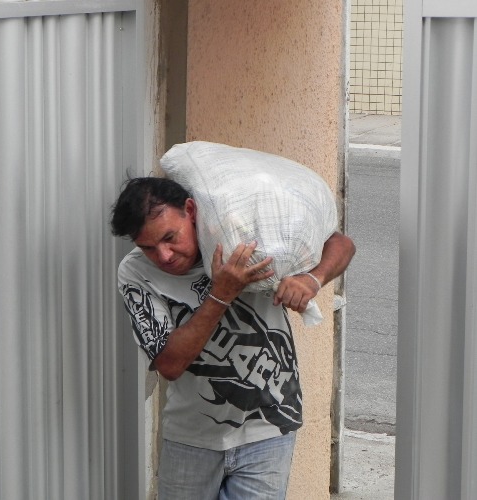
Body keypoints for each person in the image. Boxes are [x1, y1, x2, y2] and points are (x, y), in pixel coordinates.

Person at [110, 176, 355, 500]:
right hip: (190, 436)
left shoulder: (245, 238)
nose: (165, 256)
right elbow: (169, 364)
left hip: (268, 429)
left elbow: (341, 243)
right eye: (149, 247)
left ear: (191, 210)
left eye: (170, 237)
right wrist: (221, 294)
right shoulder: (136, 272)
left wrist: (313, 278)